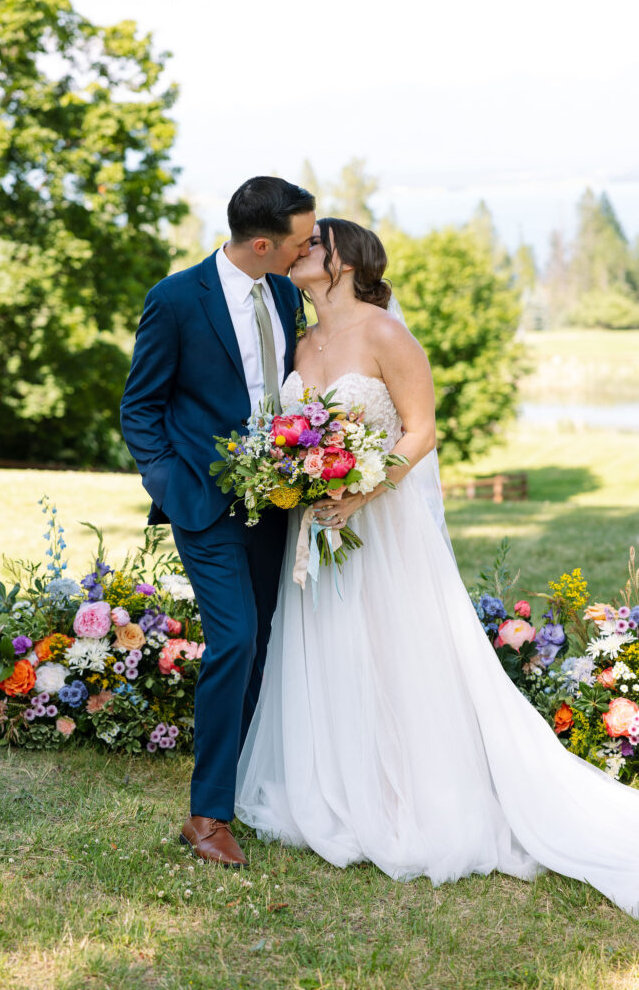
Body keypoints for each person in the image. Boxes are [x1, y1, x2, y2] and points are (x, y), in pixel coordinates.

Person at [235, 217, 639, 918]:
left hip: (381, 522)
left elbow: (421, 431)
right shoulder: (303, 340)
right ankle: (339, 787)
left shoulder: (387, 333)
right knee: (329, 650)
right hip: (317, 522)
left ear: (347, 261)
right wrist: (296, 475)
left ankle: (407, 796)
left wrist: (361, 489)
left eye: (314, 245)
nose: (301, 253)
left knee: (399, 653)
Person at [121, 177, 316, 867]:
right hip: (204, 502)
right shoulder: (176, 300)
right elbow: (139, 407)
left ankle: (245, 789)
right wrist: (173, 486)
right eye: (300, 241)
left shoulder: (286, 293)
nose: (308, 249)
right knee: (233, 640)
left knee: (261, 643)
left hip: (278, 504)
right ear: (263, 243)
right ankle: (206, 818)